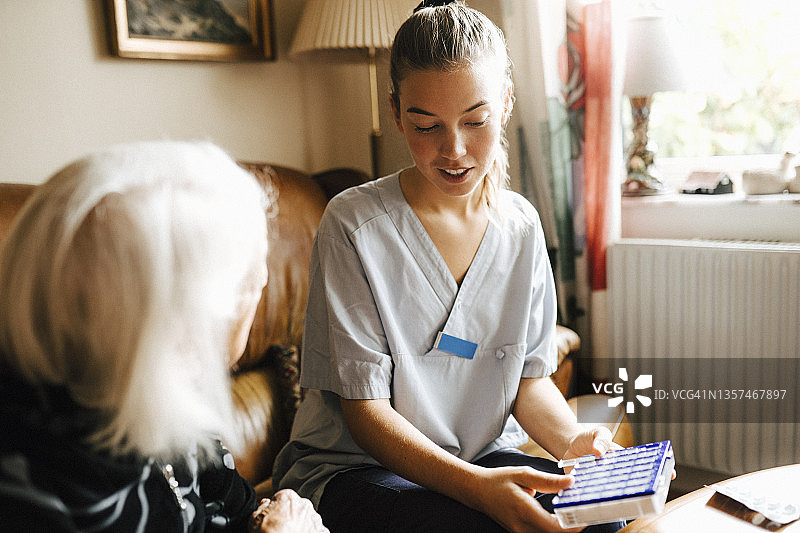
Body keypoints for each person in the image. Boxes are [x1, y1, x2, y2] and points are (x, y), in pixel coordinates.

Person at [271, 3, 627, 532]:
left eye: (475, 121)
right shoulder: (354, 225)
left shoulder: (521, 227)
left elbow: (528, 381)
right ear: (396, 112)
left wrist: (573, 441)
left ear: (505, 103)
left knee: (599, 516)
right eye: (426, 124)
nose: (453, 150)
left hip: (481, 459)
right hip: (358, 469)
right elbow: (365, 415)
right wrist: (479, 491)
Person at [0, 141, 327, 533]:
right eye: (251, 278)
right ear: (186, 329)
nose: (261, 285)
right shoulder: (26, 488)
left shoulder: (176, 404)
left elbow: (235, 513)